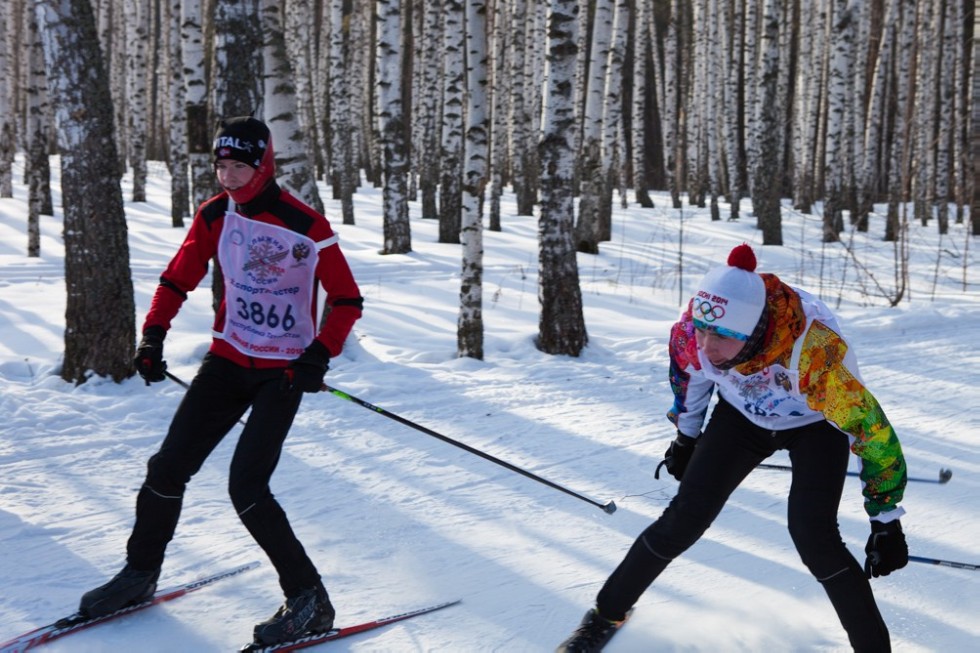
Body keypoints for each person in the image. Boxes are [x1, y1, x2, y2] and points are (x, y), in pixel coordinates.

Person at [78, 116, 363, 646]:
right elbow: (176, 277)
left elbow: (347, 300)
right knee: (166, 469)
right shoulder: (215, 214)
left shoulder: (306, 226)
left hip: (282, 372)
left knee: (247, 487)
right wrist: (153, 336)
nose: (229, 177)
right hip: (228, 360)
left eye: (240, 167)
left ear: (264, 166)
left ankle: (310, 600)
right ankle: (139, 574)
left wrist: (319, 355)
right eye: (221, 166)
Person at [558, 244, 908, 653]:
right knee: (683, 518)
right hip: (742, 415)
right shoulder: (695, 331)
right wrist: (686, 438)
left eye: (722, 337)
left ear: (754, 331)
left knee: (814, 536)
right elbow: (689, 379)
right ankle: (604, 618)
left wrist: (885, 519)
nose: (707, 346)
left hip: (815, 425)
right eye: (702, 331)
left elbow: (872, 433)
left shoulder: (815, 352)